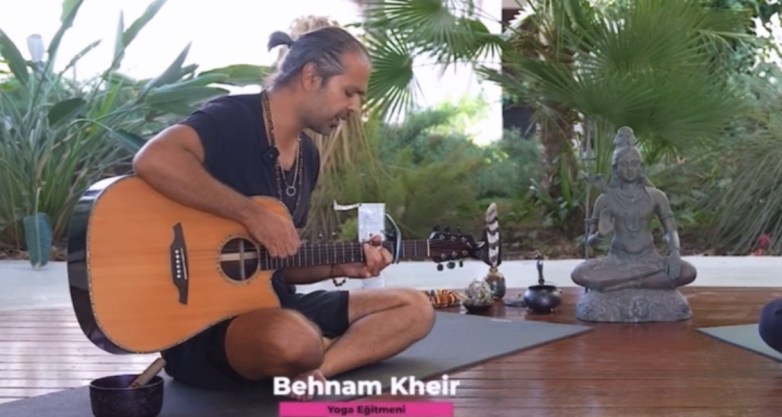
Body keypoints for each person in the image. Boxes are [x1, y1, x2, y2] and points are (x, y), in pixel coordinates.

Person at [131, 26, 435, 397]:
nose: (355, 108)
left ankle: (316, 371)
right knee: (295, 340)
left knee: (415, 307)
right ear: (311, 76)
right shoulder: (233, 118)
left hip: (273, 304)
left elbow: (280, 262)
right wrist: (251, 213)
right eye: (349, 92)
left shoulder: (307, 156)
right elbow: (153, 158)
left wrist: (337, 267)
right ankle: (312, 353)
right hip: (206, 327)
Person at [571, 127, 697, 292]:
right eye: (624, 164)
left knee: (688, 271)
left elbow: (670, 229)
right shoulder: (604, 200)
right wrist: (600, 235)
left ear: (641, 167)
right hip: (617, 260)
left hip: (650, 259)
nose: (630, 169)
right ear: (615, 169)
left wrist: (674, 252)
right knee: (581, 273)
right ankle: (641, 281)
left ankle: (620, 284)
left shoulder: (657, 196)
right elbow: (588, 243)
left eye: (634, 163)